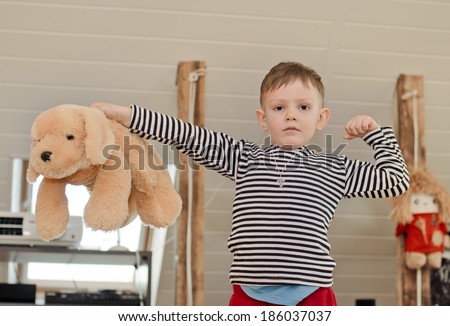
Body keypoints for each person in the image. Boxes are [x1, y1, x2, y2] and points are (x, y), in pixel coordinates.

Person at [91, 61, 410, 306]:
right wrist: (125, 115)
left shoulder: (334, 167)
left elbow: (396, 182)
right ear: (263, 118)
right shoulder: (243, 157)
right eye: (279, 107)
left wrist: (377, 135)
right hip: (249, 296)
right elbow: (185, 134)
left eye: (303, 107)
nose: (291, 116)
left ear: (321, 118)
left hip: (314, 296)